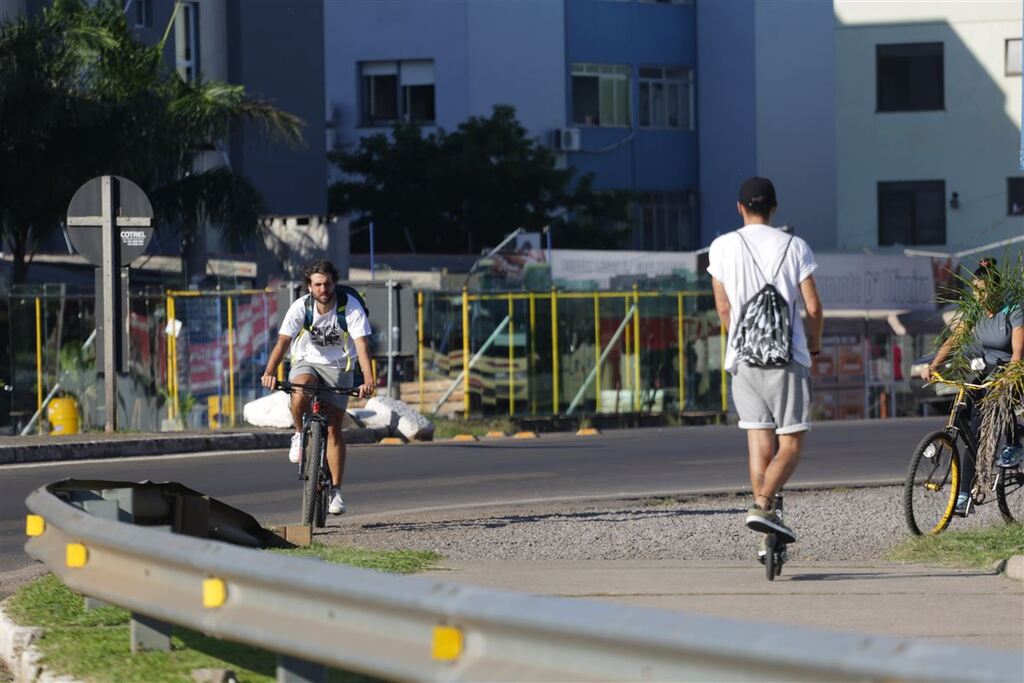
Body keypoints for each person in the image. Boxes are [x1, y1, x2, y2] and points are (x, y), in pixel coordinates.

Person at [707, 177, 824, 555]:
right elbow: (813, 308)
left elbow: (723, 308)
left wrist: (742, 339)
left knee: (759, 443)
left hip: (742, 361)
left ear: (740, 208)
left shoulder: (722, 246)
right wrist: (816, 343)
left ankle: (766, 537)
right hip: (787, 360)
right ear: (775, 208)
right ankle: (762, 506)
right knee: (790, 444)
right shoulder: (795, 246)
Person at [261, 259, 375, 515]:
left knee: (334, 426)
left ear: (334, 284)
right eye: (318, 284)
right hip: (306, 362)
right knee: (299, 389)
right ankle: (300, 434)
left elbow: (363, 347)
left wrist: (368, 380)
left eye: (327, 284)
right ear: (309, 287)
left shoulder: (350, 307)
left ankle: (335, 491)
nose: (323, 289)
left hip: (339, 368)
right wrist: (269, 373)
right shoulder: (301, 307)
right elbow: (282, 342)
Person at [920, 257, 1023, 514]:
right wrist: (934, 365)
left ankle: (1015, 443)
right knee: (971, 429)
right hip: (984, 373)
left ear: (995, 289)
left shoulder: (1013, 311)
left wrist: (1009, 374)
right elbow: (954, 340)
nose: (978, 296)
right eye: (975, 290)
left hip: (1010, 371)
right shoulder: (975, 314)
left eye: (983, 290)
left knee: (1001, 403)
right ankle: (964, 495)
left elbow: (1018, 352)